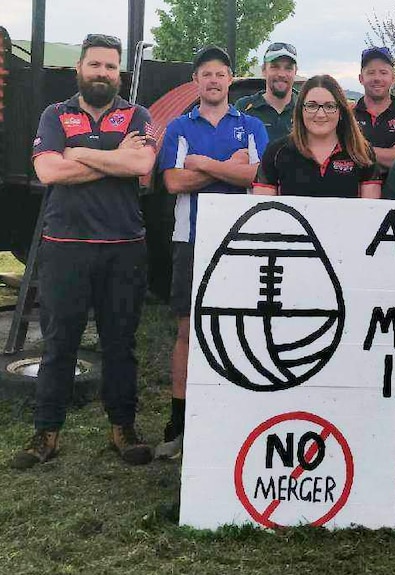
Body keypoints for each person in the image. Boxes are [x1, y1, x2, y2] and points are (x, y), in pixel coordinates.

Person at [11, 34, 157, 469]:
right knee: (59, 344)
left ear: (119, 73)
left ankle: (123, 429)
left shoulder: (138, 114)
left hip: (124, 249)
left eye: (110, 67)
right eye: (95, 65)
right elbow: (49, 170)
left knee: (121, 344)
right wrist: (112, 155)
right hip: (66, 248)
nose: (102, 73)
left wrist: (80, 153)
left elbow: (142, 165)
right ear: (79, 68)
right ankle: (46, 434)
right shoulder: (55, 114)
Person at [154, 46, 268, 459]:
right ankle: (179, 423)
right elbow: (173, 183)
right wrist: (225, 166)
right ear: (196, 82)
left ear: (231, 79)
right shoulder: (180, 128)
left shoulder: (252, 125)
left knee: (242, 330)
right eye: (207, 74)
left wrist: (200, 164)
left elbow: (257, 177)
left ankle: (236, 419)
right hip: (192, 238)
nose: (214, 81)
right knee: (187, 333)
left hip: (241, 242)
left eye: (221, 74)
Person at [253, 74, 381, 198]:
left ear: (341, 111)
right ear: (300, 111)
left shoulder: (362, 153)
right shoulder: (276, 152)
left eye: (329, 106)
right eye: (312, 106)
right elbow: (264, 214)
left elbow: (370, 213)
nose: (320, 114)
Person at [353, 47, 395, 175]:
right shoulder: (346, 116)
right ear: (361, 78)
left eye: (383, 72)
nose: (377, 78)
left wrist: (357, 151)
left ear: (393, 78)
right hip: (352, 193)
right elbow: (339, 158)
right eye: (371, 72)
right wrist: (393, 155)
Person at [235, 42, 300, 142]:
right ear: (264, 70)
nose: (282, 74)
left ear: (295, 72)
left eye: (288, 68)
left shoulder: (306, 108)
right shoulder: (244, 108)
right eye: (275, 67)